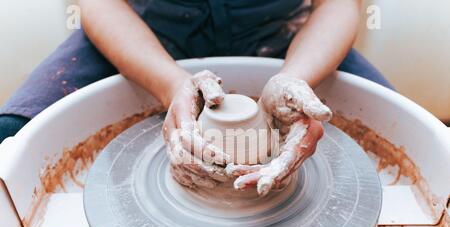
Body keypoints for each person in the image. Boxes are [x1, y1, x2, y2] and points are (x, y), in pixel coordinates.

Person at [0, 0, 393, 195]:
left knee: (402, 134)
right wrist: (172, 84)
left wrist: (295, 77)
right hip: (143, 34)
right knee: (11, 136)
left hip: (287, 38)